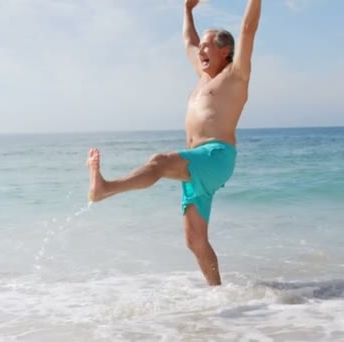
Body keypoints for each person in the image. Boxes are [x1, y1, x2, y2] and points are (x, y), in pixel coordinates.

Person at [87, 0, 261, 286]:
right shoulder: (203, 77)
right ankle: (219, 294)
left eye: (207, 46)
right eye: (201, 46)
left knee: (159, 162)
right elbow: (187, 42)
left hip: (216, 155)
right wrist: (187, 10)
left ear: (225, 51)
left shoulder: (236, 75)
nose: (200, 50)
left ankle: (105, 189)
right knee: (194, 240)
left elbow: (248, 29)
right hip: (197, 161)